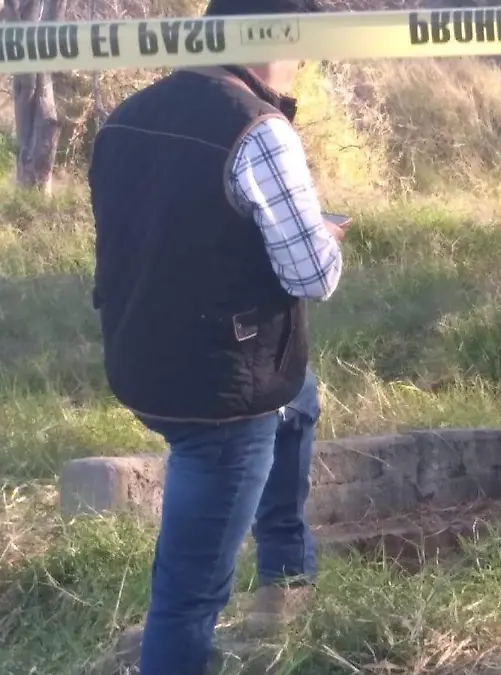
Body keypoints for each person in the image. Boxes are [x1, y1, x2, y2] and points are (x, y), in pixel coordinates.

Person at [86, 1, 340, 672]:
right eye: (300, 51)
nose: (300, 69)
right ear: (270, 40)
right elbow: (312, 273)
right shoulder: (257, 128)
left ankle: (284, 577)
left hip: (141, 354)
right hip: (221, 393)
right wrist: (325, 234)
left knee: (301, 396)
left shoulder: (125, 115)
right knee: (188, 598)